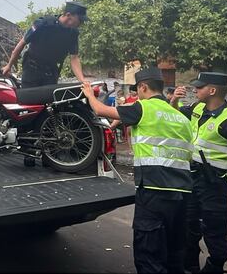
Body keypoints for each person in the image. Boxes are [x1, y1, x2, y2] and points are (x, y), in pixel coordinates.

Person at [82, 68, 193, 273]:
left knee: (149, 254)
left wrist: (89, 94)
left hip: (154, 190)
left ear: (143, 87)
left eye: (138, 90)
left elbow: (101, 111)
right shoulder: (181, 118)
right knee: (174, 251)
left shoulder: (143, 108)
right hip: (183, 192)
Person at [172, 72, 227, 274]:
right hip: (192, 178)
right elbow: (176, 115)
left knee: (214, 230)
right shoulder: (197, 108)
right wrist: (175, 99)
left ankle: (215, 267)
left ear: (212, 90)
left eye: (199, 87)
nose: (195, 90)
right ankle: (189, 265)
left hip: (216, 183)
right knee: (187, 224)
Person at [1, 2, 88, 88]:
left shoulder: (73, 33)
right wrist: (9, 65)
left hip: (51, 73)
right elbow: (22, 43)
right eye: (80, 20)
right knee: (29, 100)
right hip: (31, 70)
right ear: (68, 15)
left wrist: (82, 80)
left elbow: (74, 58)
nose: (81, 23)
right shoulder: (44, 23)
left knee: (50, 100)